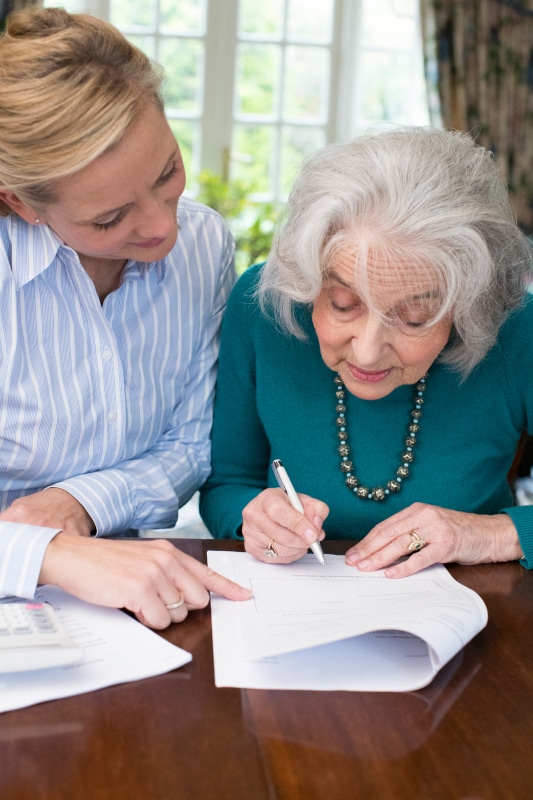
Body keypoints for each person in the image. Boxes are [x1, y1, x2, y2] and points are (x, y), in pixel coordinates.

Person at [0, 6, 251, 628]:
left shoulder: (206, 244)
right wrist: (47, 553)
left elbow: (192, 444)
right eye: (109, 220)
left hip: (134, 592)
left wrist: (76, 504)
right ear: (21, 203)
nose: (164, 227)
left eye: (167, 172)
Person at [200, 125, 533, 578]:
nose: (368, 352)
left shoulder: (516, 327)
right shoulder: (264, 306)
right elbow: (227, 484)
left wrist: (490, 533)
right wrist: (251, 517)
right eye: (342, 305)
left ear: (469, 303)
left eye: (416, 317)